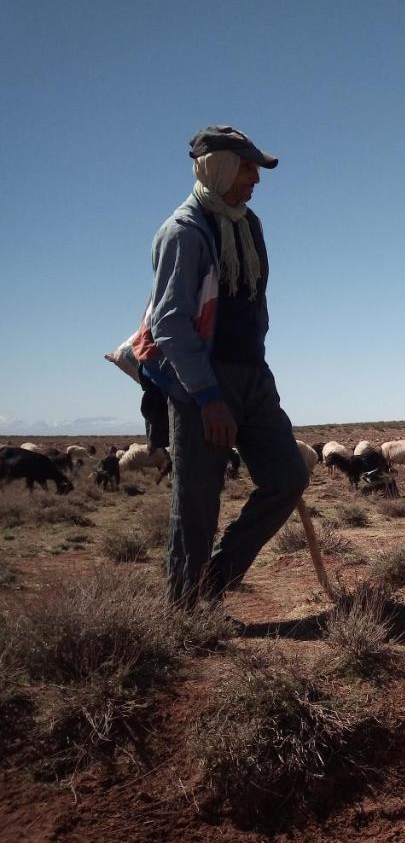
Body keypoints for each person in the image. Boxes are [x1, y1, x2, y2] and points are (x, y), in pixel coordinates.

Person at [131, 125, 309, 610]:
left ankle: (213, 581)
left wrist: (257, 360)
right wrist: (208, 396)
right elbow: (168, 321)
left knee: (288, 477)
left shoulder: (248, 226)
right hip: (201, 381)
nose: (255, 178)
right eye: (247, 167)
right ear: (220, 167)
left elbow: (254, 302)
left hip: (252, 373)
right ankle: (184, 614)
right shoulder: (183, 233)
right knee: (197, 504)